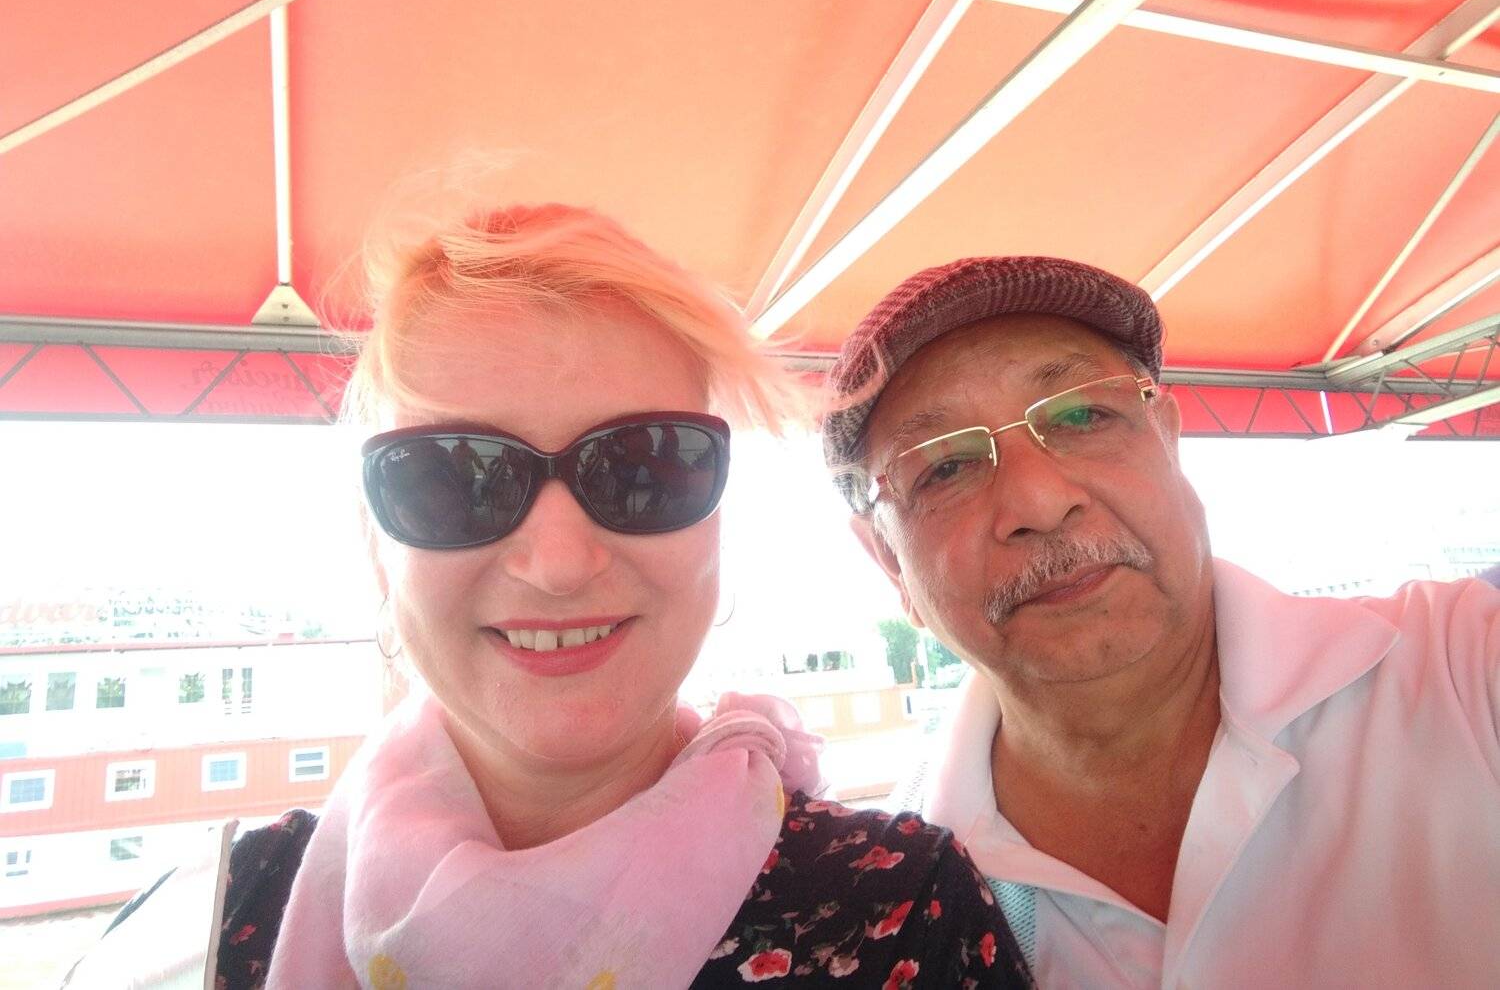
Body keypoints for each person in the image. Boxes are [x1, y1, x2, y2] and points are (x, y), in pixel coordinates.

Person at [81, 204, 1030, 989]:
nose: (559, 561)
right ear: (377, 549)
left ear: (718, 525)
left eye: (645, 465)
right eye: (453, 478)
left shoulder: (907, 913)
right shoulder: (208, 926)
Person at [820, 256, 1500, 988]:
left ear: (1169, 441)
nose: (1040, 502)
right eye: (945, 466)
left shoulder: (1462, 667)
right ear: (890, 563)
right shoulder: (878, 909)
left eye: (1082, 415)